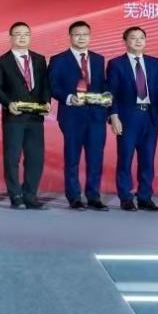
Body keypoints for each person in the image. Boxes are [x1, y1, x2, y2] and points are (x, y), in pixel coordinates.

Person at [48, 20, 110, 210]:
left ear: (90, 36)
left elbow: (103, 85)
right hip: (72, 115)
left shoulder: (99, 59)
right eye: (77, 34)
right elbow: (52, 86)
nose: (81, 38)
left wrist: (107, 96)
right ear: (70, 36)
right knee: (72, 158)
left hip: (96, 116)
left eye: (85, 34)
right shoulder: (59, 59)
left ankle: (93, 196)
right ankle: (74, 197)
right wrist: (68, 97)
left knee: (96, 158)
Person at [107, 26, 158, 212]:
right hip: (128, 117)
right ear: (125, 41)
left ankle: (144, 197)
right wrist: (114, 116)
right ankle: (125, 197)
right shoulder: (116, 64)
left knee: (148, 159)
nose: (138, 41)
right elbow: (111, 93)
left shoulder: (154, 63)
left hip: (150, 117)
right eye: (133, 38)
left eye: (141, 37)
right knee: (125, 158)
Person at [0, 22, 51, 210]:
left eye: (26, 34)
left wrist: (47, 101)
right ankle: (15, 195)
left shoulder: (40, 59)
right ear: (11, 37)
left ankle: (30, 196)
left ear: (30, 36)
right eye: (18, 34)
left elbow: (45, 84)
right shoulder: (2, 61)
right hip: (14, 117)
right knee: (12, 158)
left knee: (35, 158)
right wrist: (8, 103)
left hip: (35, 117)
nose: (22, 37)